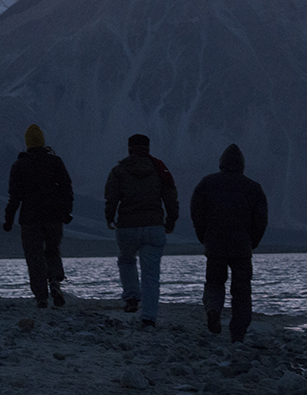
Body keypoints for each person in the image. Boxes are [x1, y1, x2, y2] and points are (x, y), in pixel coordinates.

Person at [190, 143, 268, 342]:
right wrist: (253, 242)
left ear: (221, 164)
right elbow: (261, 219)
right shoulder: (253, 188)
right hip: (242, 248)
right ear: (242, 165)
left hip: (214, 245)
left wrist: (203, 236)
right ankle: (238, 334)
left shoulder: (206, 184)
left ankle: (213, 310)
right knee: (242, 292)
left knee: (214, 283)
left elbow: (196, 212)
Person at [104, 134, 179, 328]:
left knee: (126, 260)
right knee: (151, 275)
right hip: (154, 226)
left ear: (129, 148)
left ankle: (131, 298)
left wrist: (109, 218)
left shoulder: (119, 170)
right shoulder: (159, 170)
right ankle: (148, 318)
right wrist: (170, 221)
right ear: (148, 148)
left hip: (127, 226)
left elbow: (111, 197)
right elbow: (171, 197)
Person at [3, 124, 73, 308]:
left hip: (30, 218)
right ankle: (55, 283)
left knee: (34, 256)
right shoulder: (55, 162)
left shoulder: (19, 165)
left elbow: (14, 197)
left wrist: (8, 220)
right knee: (52, 250)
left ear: (27, 144)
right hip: (54, 216)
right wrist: (66, 211)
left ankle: (41, 296)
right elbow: (67, 188)